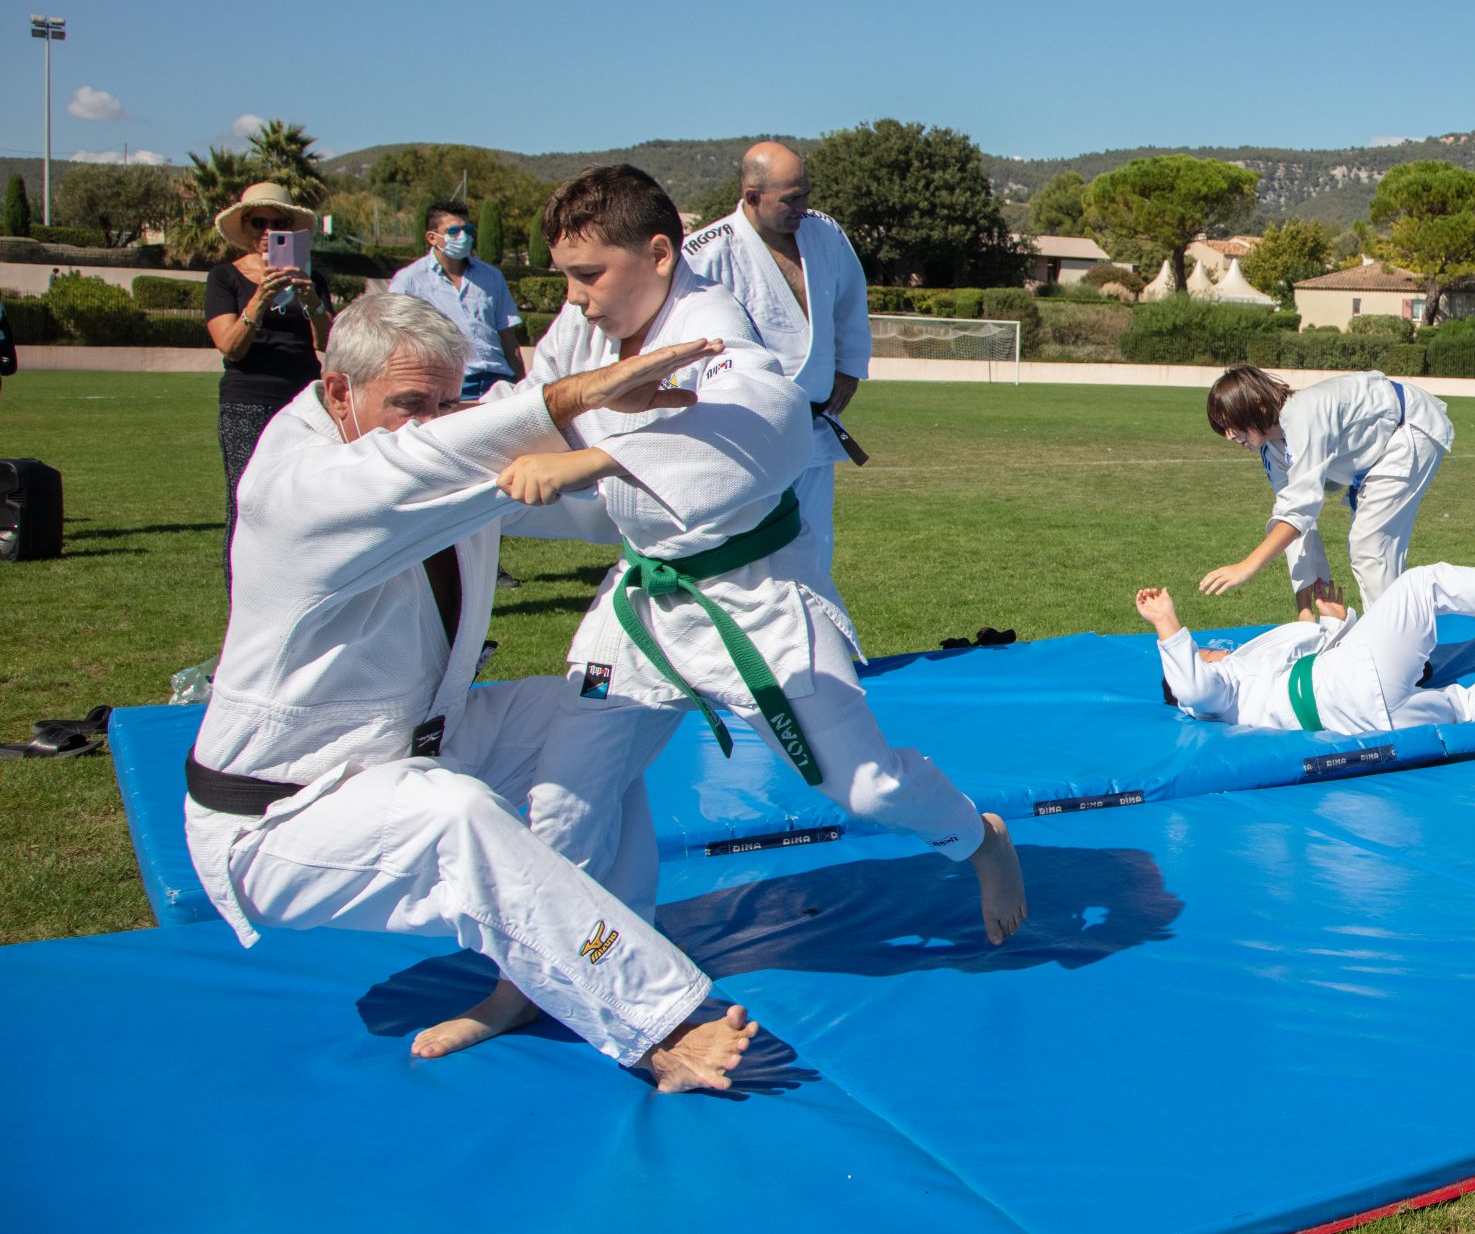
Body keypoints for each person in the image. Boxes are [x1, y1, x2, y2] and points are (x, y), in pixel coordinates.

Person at [182, 291, 757, 1092]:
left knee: (602, 703)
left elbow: (583, 512)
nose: (433, 421)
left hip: (418, 739)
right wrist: (579, 395)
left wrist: (683, 460)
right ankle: (651, 1018)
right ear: (339, 391)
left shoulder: (421, 452)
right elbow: (426, 464)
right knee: (455, 817)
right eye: (410, 403)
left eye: (449, 401)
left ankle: (587, 945)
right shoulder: (298, 488)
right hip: (282, 812)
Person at [491, 165, 1027, 946]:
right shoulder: (583, 328)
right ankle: (562, 964)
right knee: (566, 797)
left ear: (659, 253)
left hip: (755, 600)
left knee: (867, 786)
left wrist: (602, 460)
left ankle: (981, 839)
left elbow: (768, 430)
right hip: (641, 604)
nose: (574, 296)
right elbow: (528, 405)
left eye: (588, 275)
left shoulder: (714, 327)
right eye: (567, 278)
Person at [1145, 543, 1475, 733]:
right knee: (1426, 583)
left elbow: (1302, 653)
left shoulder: (1242, 694)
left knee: (1464, 706)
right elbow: (1191, 686)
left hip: (1364, 720)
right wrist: (1167, 623)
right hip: (1349, 683)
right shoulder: (1214, 687)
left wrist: (1336, 622)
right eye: (1205, 649)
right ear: (1195, 662)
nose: (1217, 647)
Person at [681, 142, 869, 588]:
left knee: (816, 540)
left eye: (805, 194)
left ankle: (818, 639)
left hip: (815, 420)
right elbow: (686, 337)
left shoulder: (824, 233)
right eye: (790, 199)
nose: (803, 207)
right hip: (746, 428)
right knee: (749, 545)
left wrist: (849, 366)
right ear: (751, 196)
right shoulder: (707, 251)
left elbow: (850, 299)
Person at [1198, 364, 1457, 616]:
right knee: (1369, 549)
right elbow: (1293, 521)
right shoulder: (1271, 450)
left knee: (1370, 546)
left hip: (1410, 426)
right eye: (1223, 429)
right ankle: (1398, 641)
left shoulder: (1302, 414)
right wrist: (1305, 611)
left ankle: (1400, 648)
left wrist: (1246, 567)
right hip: (1376, 451)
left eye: (1232, 424)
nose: (1230, 436)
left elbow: (1301, 508)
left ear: (1257, 407)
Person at [203, 182, 331, 582]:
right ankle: (243, 601)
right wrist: (260, 297)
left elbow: (328, 343)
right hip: (248, 399)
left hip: (304, 400)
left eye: (278, 223)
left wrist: (310, 300)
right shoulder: (225, 278)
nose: (267, 230)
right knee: (247, 501)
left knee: (306, 500)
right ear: (246, 225)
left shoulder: (311, 278)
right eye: (259, 222)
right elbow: (231, 347)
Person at [387, 201, 527, 400]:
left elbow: (507, 335)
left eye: (467, 230)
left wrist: (522, 384)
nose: (463, 237)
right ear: (432, 237)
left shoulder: (491, 276)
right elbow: (395, 339)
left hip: (499, 382)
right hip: (452, 385)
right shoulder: (409, 281)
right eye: (453, 231)